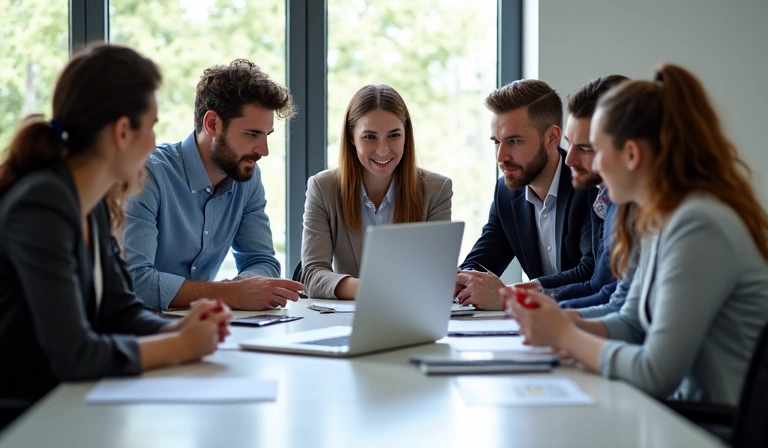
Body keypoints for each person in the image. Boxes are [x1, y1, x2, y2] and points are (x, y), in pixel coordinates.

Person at [506, 64, 768, 405]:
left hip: (713, 428)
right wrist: (557, 320)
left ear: (631, 154)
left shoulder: (699, 225)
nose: (593, 166)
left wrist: (564, 334)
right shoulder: (660, 219)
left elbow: (655, 372)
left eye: (596, 150)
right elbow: (631, 322)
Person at [0, 43, 232, 425]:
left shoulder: (87, 204)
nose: (155, 144)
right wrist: (177, 345)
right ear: (123, 131)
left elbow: (119, 312)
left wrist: (185, 328)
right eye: (152, 126)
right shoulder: (41, 204)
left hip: (68, 409)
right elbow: (73, 353)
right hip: (26, 419)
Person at [124, 60, 305, 311]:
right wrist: (231, 294)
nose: (263, 151)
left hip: (201, 327)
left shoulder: (248, 177)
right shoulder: (146, 175)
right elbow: (134, 282)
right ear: (212, 124)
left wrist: (241, 289)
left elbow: (262, 261)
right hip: (133, 332)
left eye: (267, 135)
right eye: (252, 134)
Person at [301, 85, 452, 299]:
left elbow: (437, 275)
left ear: (406, 136)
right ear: (352, 137)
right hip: (347, 319)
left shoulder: (437, 190)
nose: (383, 149)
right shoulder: (323, 188)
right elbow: (312, 275)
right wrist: (373, 290)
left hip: (411, 317)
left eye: (394, 135)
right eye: (370, 137)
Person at [455, 79, 595, 310]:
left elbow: (591, 273)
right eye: (496, 142)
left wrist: (509, 296)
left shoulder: (589, 185)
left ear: (551, 137)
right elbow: (483, 259)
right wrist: (458, 282)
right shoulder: (506, 193)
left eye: (514, 141)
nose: (501, 156)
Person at [543, 75, 629, 306]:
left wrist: (527, 303)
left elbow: (611, 300)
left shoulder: (638, 209)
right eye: (569, 144)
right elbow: (601, 289)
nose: (569, 159)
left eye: (585, 148)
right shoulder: (606, 200)